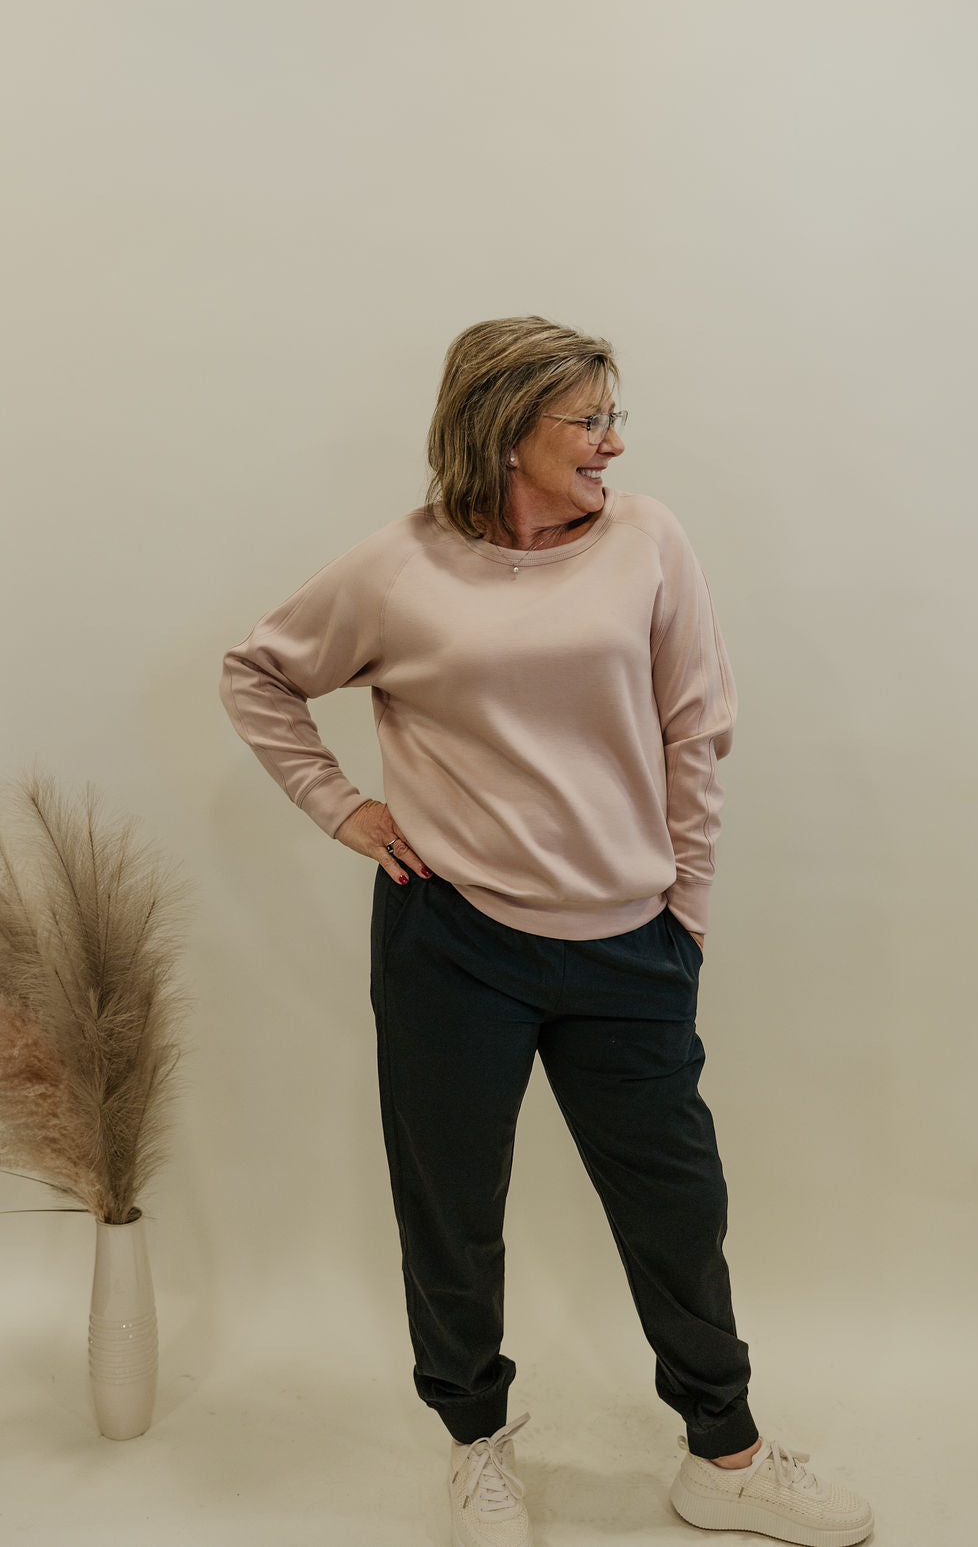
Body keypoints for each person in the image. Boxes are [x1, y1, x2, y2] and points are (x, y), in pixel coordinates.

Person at [220, 316, 872, 1547]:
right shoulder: (398, 567)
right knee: (452, 1208)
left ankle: (724, 1451)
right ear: (505, 428)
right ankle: (475, 1442)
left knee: (677, 1205)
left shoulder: (649, 540)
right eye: (588, 420)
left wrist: (683, 912)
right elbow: (259, 672)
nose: (612, 443)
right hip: (450, 938)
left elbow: (694, 729)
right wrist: (340, 804)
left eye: (613, 417)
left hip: (629, 940)